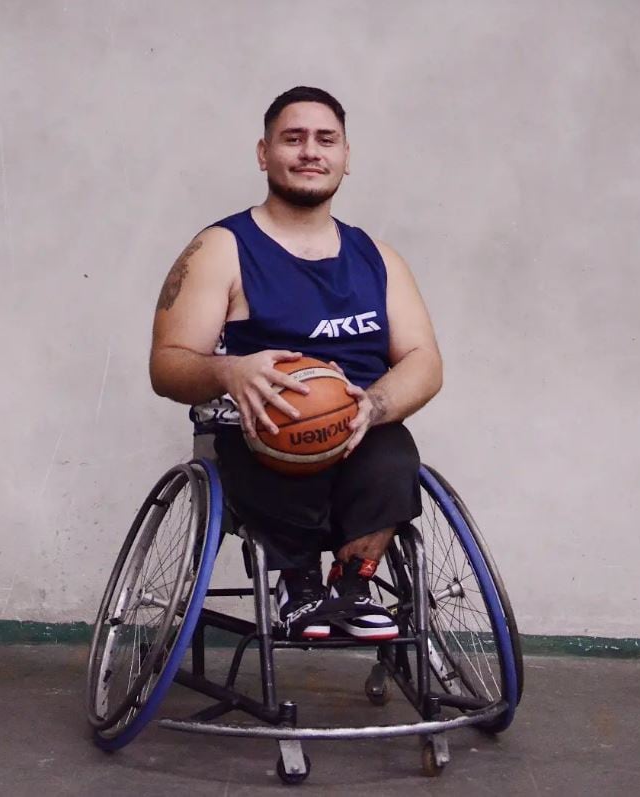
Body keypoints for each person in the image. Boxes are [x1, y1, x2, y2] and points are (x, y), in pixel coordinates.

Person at [149, 86, 443, 641]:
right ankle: (297, 581)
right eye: (293, 138)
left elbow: (425, 361)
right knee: (277, 440)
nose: (311, 151)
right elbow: (166, 365)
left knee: (393, 453)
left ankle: (352, 586)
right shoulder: (220, 248)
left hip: (355, 425)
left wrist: (373, 405)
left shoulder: (377, 258)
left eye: (325, 139)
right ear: (264, 153)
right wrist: (229, 372)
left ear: (345, 157)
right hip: (258, 427)